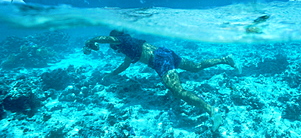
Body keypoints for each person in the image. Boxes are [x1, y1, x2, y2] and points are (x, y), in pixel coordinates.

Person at [83, 30, 241, 131]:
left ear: (114, 42)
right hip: (165, 52)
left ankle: (212, 110)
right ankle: (226, 59)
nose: (114, 50)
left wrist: (90, 41)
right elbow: (125, 64)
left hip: (159, 60)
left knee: (177, 91)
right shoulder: (131, 44)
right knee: (196, 66)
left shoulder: (120, 41)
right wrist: (111, 73)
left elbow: (103, 38)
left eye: (113, 47)